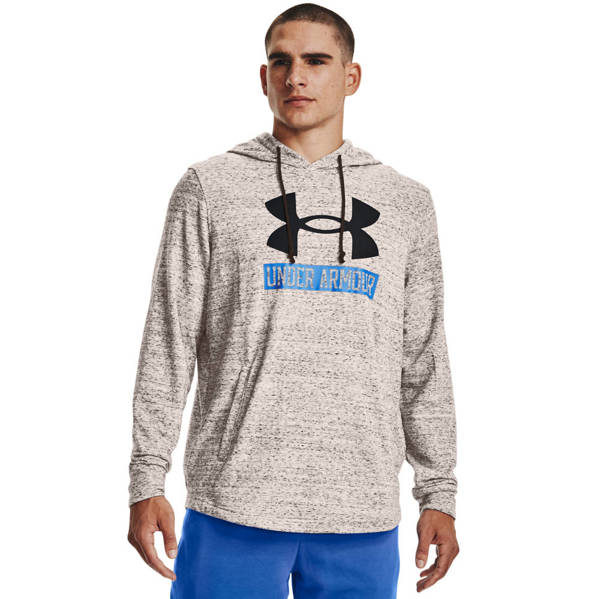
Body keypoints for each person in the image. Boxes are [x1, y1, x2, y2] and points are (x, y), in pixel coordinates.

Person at [127, 3, 459, 597]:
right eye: (280, 62)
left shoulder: (407, 202)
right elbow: (168, 341)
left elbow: (423, 358)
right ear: (263, 77)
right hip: (233, 500)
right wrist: (147, 479)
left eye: (316, 61)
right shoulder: (209, 187)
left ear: (351, 77)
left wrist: (439, 492)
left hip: (361, 509)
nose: (295, 77)